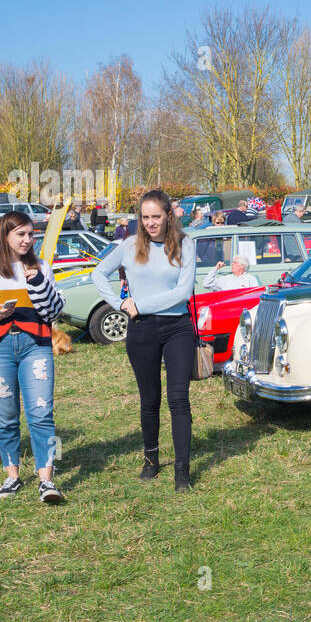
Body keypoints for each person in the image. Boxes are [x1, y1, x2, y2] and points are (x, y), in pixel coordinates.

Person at [92, 188, 198, 491]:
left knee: (179, 399)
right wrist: (121, 304)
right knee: (149, 400)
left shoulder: (185, 245)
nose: (151, 222)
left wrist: (140, 304)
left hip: (177, 327)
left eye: (156, 216)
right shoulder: (129, 246)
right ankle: (151, 460)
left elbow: (182, 292)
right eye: (146, 217)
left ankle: (182, 471)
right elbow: (99, 274)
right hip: (142, 330)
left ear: (168, 216)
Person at [0, 211, 66, 502]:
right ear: (4, 236)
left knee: (42, 413)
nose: (27, 240)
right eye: (21, 234)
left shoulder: (41, 266)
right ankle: (13, 476)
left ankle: (47, 479)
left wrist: (39, 284)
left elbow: (54, 312)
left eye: (31, 234)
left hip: (36, 347)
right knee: (5, 417)